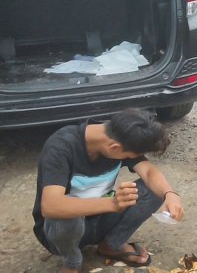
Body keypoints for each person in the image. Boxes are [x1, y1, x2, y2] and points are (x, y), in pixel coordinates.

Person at [33, 109, 183, 273]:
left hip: (99, 220)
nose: (134, 157)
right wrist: (112, 203)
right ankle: (72, 261)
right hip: (60, 232)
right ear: (115, 148)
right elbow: (51, 206)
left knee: (154, 189)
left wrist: (170, 194)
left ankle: (112, 245)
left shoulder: (122, 137)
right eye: (132, 155)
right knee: (65, 213)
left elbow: (148, 172)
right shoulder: (61, 147)